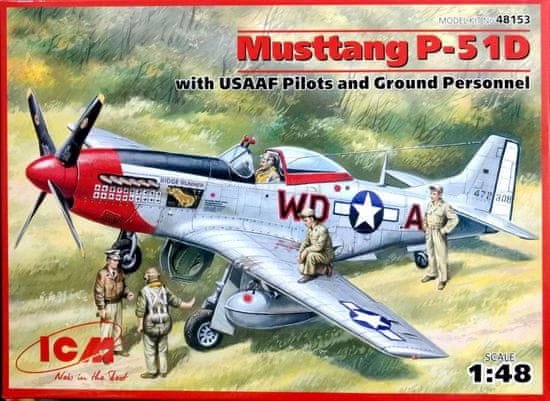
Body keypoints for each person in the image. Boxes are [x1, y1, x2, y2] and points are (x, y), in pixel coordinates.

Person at [136, 267, 195, 379]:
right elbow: (176, 302)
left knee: (150, 349)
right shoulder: (164, 290)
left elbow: (140, 311)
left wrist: (140, 325)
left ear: (147, 278)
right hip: (164, 324)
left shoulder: (144, 292)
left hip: (150, 325)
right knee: (162, 349)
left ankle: (152, 371)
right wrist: (189, 304)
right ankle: (163, 371)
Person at [94, 249, 134, 358]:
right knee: (106, 328)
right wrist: (101, 308)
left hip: (118, 303)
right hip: (107, 304)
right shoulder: (102, 274)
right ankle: (105, 352)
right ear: (108, 261)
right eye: (114, 260)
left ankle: (117, 348)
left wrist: (127, 294)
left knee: (117, 327)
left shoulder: (120, 272)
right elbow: (98, 291)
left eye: (117, 260)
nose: (116, 262)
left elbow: (123, 287)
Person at [421, 184, 459, 290]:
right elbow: (426, 216)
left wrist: (445, 230)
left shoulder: (445, 206)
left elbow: (454, 219)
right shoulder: (430, 204)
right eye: (431, 193)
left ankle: (443, 279)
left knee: (441, 256)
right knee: (430, 254)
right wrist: (425, 225)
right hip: (429, 231)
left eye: (434, 194)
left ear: (440, 195)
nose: (431, 196)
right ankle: (432, 273)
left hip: (438, 232)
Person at [297, 208, 335, 283]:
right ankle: (325, 269)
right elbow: (306, 242)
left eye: (306, 220)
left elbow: (319, 247)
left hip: (326, 254)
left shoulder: (322, 229)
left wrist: (306, 250)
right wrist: (300, 253)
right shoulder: (310, 229)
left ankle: (309, 275)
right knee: (301, 269)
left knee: (311, 256)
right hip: (317, 253)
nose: (304, 223)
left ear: (311, 219)